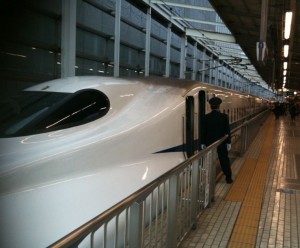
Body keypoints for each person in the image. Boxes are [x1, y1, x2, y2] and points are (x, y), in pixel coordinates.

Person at [201, 97, 233, 184]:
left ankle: (208, 180)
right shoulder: (224, 117)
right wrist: (228, 142)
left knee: (209, 161)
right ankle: (228, 178)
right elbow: (227, 131)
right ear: (219, 106)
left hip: (209, 144)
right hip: (221, 142)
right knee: (224, 160)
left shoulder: (205, 117)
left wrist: (202, 143)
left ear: (210, 106)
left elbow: (203, 131)